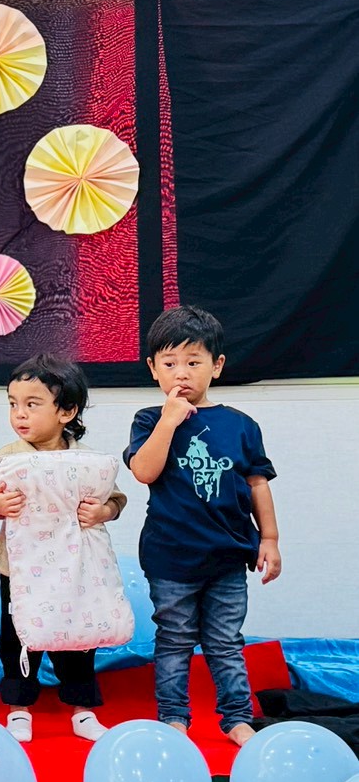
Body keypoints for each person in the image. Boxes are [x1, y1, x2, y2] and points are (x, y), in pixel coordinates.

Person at [125, 305, 279, 746]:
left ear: (217, 365)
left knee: (226, 641)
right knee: (174, 640)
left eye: (194, 362)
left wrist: (270, 538)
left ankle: (236, 718)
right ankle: (174, 717)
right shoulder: (149, 420)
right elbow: (144, 471)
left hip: (228, 556)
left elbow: (258, 483)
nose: (182, 373)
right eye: (170, 363)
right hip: (170, 557)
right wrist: (170, 420)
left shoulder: (240, 425)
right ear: (153, 368)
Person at [0, 354, 125, 743]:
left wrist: (102, 511)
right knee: (18, 639)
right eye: (13, 404)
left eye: (32, 404)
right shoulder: (10, 456)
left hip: (73, 568)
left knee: (78, 638)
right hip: (20, 571)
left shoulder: (85, 459)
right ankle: (19, 709)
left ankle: (82, 709)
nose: (19, 414)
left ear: (66, 411)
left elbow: (114, 498)